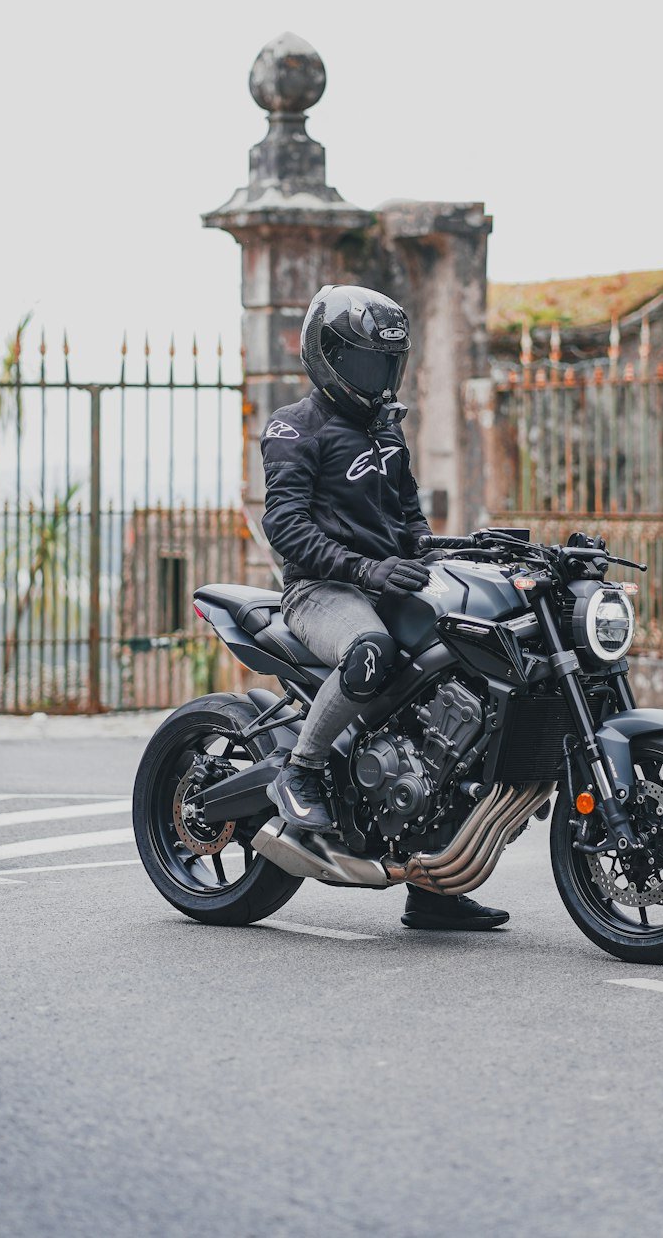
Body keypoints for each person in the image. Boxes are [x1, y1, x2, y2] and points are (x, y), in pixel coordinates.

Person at [260, 283, 508, 932]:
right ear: (328, 356)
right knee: (369, 650)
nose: (377, 377)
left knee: (467, 681)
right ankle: (301, 771)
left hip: (390, 584)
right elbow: (285, 526)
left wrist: (440, 548)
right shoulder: (294, 427)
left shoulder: (386, 427)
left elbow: (407, 511)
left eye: (386, 364)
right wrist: (365, 568)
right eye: (365, 363)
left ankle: (434, 888)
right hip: (321, 591)